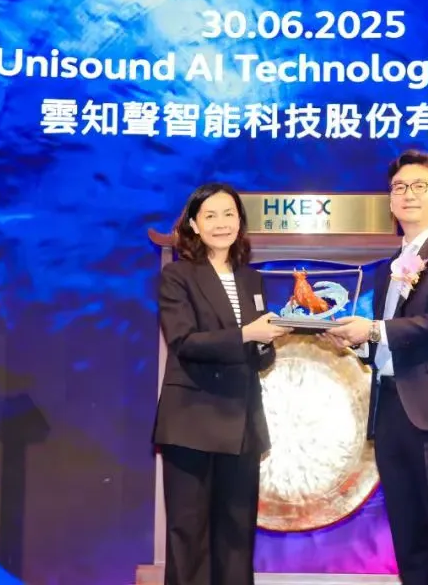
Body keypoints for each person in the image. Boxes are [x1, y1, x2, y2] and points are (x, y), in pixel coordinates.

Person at [324, 149, 428, 585]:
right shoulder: (389, 269)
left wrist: (373, 329)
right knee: (408, 534)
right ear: (390, 201)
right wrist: (356, 342)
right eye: (399, 187)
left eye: (419, 186)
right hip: (392, 408)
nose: (408, 194)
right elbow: (391, 341)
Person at [153, 182, 289, 585]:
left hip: (242, 424)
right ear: (194, 225)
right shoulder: (177, 276)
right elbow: (184, 341)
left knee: (236, 537)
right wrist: (248, 335)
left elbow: (257, 355)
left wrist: (268, 342)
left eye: (229, 214)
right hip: (192, 422)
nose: (221, 223)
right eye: (210, 215)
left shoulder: (251, 279)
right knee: (189, 536)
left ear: (240, 222)